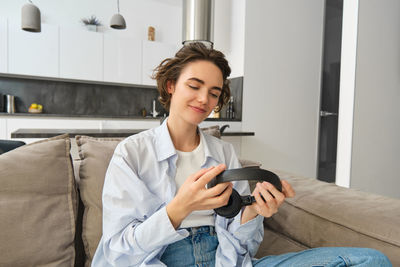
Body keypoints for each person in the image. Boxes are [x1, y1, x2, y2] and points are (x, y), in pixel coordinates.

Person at [92, 43, 391, 267]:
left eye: (213, 92)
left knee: (369, 260)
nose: (203, 99)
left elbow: (241, 245)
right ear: (171, 86)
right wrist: (178, 209)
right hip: (163, 260)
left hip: (225, 259)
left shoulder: (223, 152)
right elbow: (119, 251)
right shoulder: (131, 154)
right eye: (194, 86)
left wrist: (253, 212)